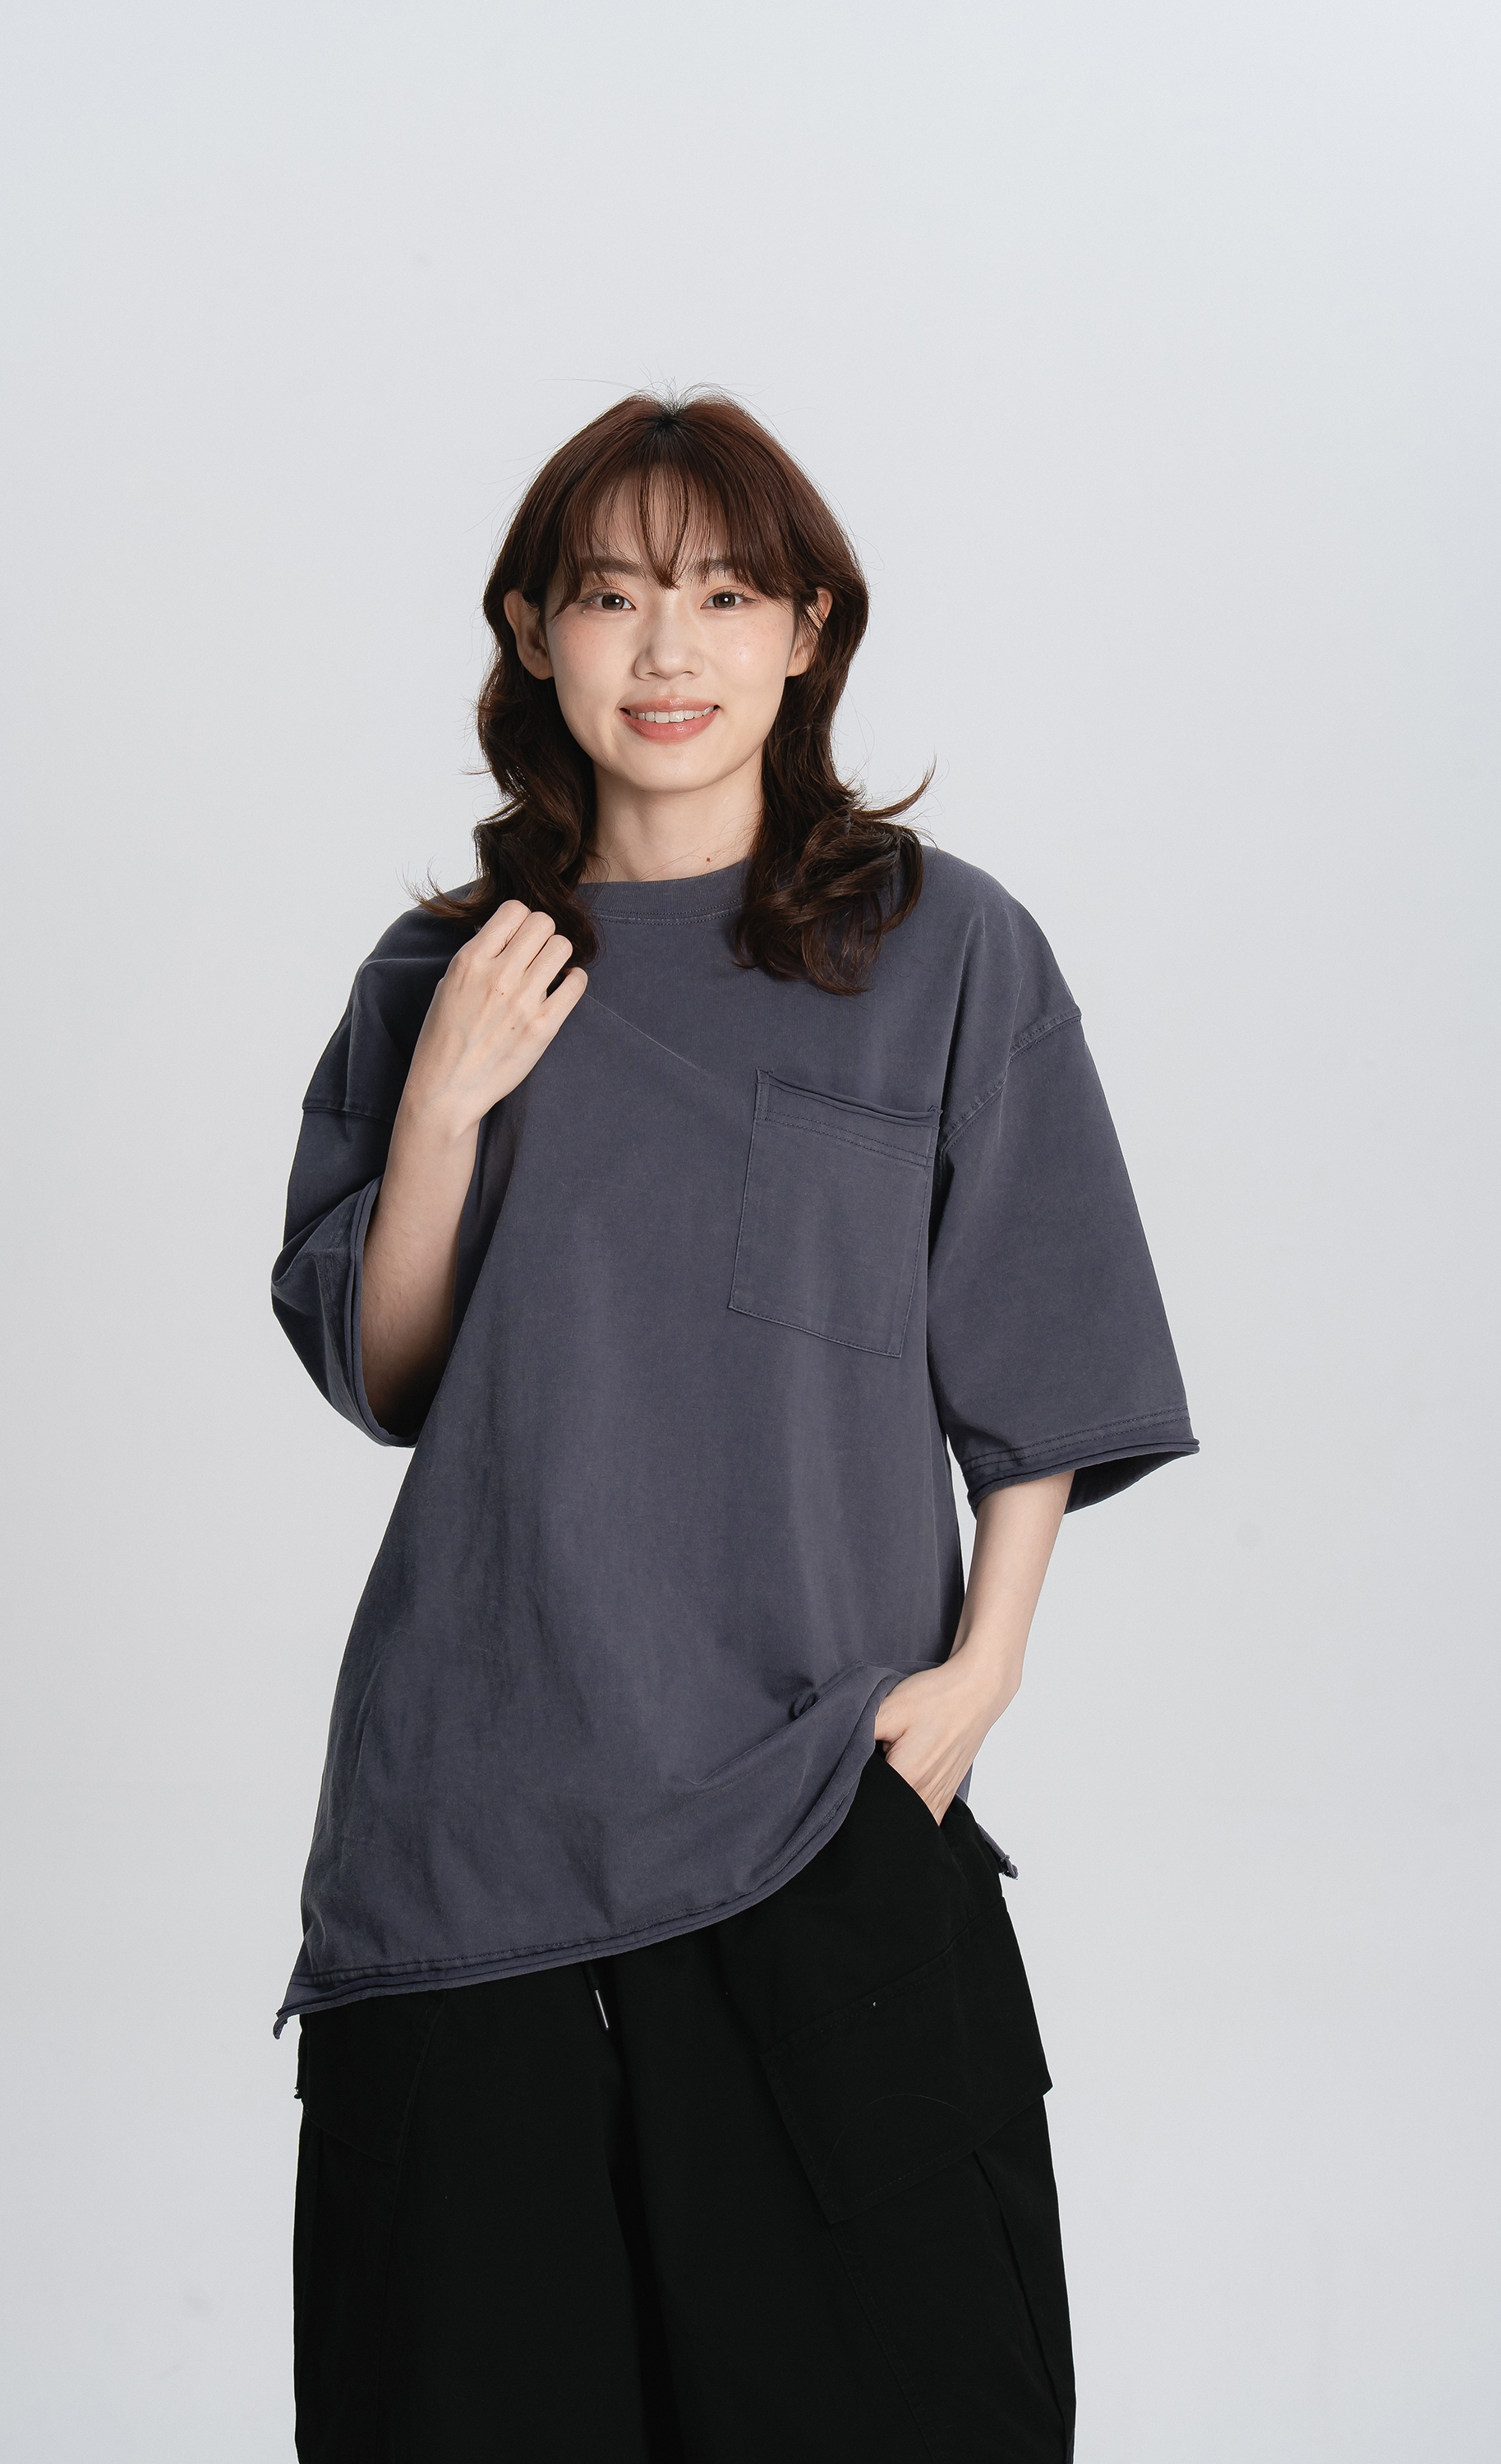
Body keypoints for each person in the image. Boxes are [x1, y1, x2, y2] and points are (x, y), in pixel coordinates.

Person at [271, 392, 1195, 2462]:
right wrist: (447, 1102)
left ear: (806, 630)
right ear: (534, 636)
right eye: (611, 599)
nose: (666, 650)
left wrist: (984, 1670)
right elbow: (391, 1377)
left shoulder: (942, 948)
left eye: (720, 595)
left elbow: (1041, 1348)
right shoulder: (445, 972)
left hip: (825, 1818)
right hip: (472, 1853)